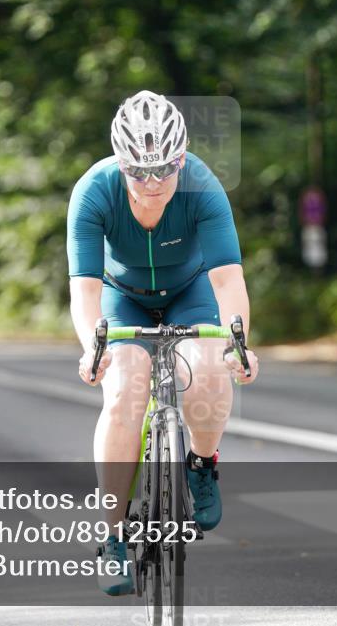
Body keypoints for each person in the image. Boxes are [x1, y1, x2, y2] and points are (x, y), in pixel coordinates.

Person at [67, 90, 259, 595]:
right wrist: (93, 347)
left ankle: (202, 462)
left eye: (163, 171)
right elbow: (85, 291)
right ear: (120, 163)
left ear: (182, 159)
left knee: (210, 370)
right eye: (138, 172)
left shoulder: (203, 186)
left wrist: (238, 342)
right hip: (122, 298)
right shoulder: (93, 191)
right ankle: (111, 538)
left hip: (190, 293)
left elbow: (227, 281)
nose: (151, 184)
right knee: (123, 392)